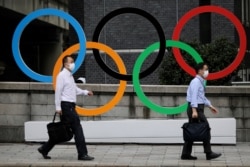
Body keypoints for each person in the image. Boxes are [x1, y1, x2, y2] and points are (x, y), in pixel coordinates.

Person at [38, 55, 94, 161]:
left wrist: (86, 92)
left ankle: (44, 149)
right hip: (66, 106)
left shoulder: (69, 76)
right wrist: (58, 107)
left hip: (70, 106)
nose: (73, 63)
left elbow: (74, 89)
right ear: (65, 64)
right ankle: (82, 154)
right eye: (71, 62)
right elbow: (58, 91)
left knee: (63, 131)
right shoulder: (61, 75)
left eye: (73, 61)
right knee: (77, 128)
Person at [181, 62, 221, 160]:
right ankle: (209, 153)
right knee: (205, 128)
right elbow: (194, 97)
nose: (207, 71)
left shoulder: (199, 81)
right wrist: (194, 110)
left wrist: (210, 106)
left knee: (192, 130)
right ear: (199, 71)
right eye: (205, 69)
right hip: (196, 109)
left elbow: (201, 97)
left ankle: (185, 154)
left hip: (197, 108)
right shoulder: (196, 82)